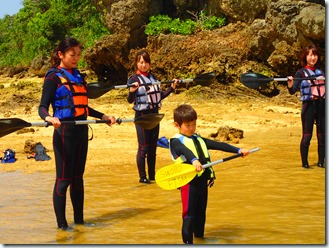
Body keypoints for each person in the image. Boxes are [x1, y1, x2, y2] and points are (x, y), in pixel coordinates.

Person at [38, 37, 116, 231]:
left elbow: (84, 106)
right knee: (63, 181)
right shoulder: (52, 77)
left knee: (78, 180)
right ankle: (62, 227)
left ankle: (79, 223)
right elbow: (42, 108)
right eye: (72, 55)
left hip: (81, 130)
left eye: (79, 55)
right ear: (61, 55)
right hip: (63, 131)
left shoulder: (79, 76)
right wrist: (49, 118)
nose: (76, 58)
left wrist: (103, 116)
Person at [169, 104, 250, 244]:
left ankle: (200, 240)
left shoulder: (198, 139)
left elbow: (218, 145)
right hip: (189, 183)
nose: (192, 128)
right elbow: (184, 151)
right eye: (188, 125)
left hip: (202, 182)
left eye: (194, 124)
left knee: (201, 215)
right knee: (189, 215)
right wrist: (194, 160)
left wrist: (238, 150)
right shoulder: (176, 141)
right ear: (177, 125)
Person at [127, 50, 178, 184]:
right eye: (141, 62)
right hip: (142, 116)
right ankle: (142, 177)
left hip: (154, 115)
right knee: (143, 147)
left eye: (146, 62)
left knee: (152, 148)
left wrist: (171, 88)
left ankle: (152, 176)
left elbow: (159, 96)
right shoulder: (133, 79)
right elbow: (130, 100)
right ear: (137, 63)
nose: (143, 65)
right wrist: (132, 91)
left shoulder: (153, 78)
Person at [287, 44, 325, 169]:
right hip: (308, 106)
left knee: (322, 136)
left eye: (315, 55)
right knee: (307, 136)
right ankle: (305, 164)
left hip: (321, 106)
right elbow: (292, 91)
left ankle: (321, 163)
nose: (313, 58)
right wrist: (290, 83)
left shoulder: (321, 72)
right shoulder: (300, 72)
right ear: (305, 57)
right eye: (310, 55)